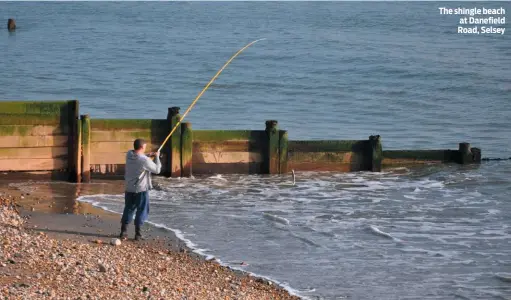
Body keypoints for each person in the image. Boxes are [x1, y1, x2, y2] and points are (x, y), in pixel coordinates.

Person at [120, 138, 161, 240]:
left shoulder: (129, 154)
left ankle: (123, 232)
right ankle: (138, 234)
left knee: (128, 209)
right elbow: (157, 170)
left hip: (129, 188)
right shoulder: (144, 160)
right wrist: (157, 157)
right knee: (142, 210)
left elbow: (140, 156)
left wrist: (149, 154)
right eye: (145, 147)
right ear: (142, 147)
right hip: (141, 189)